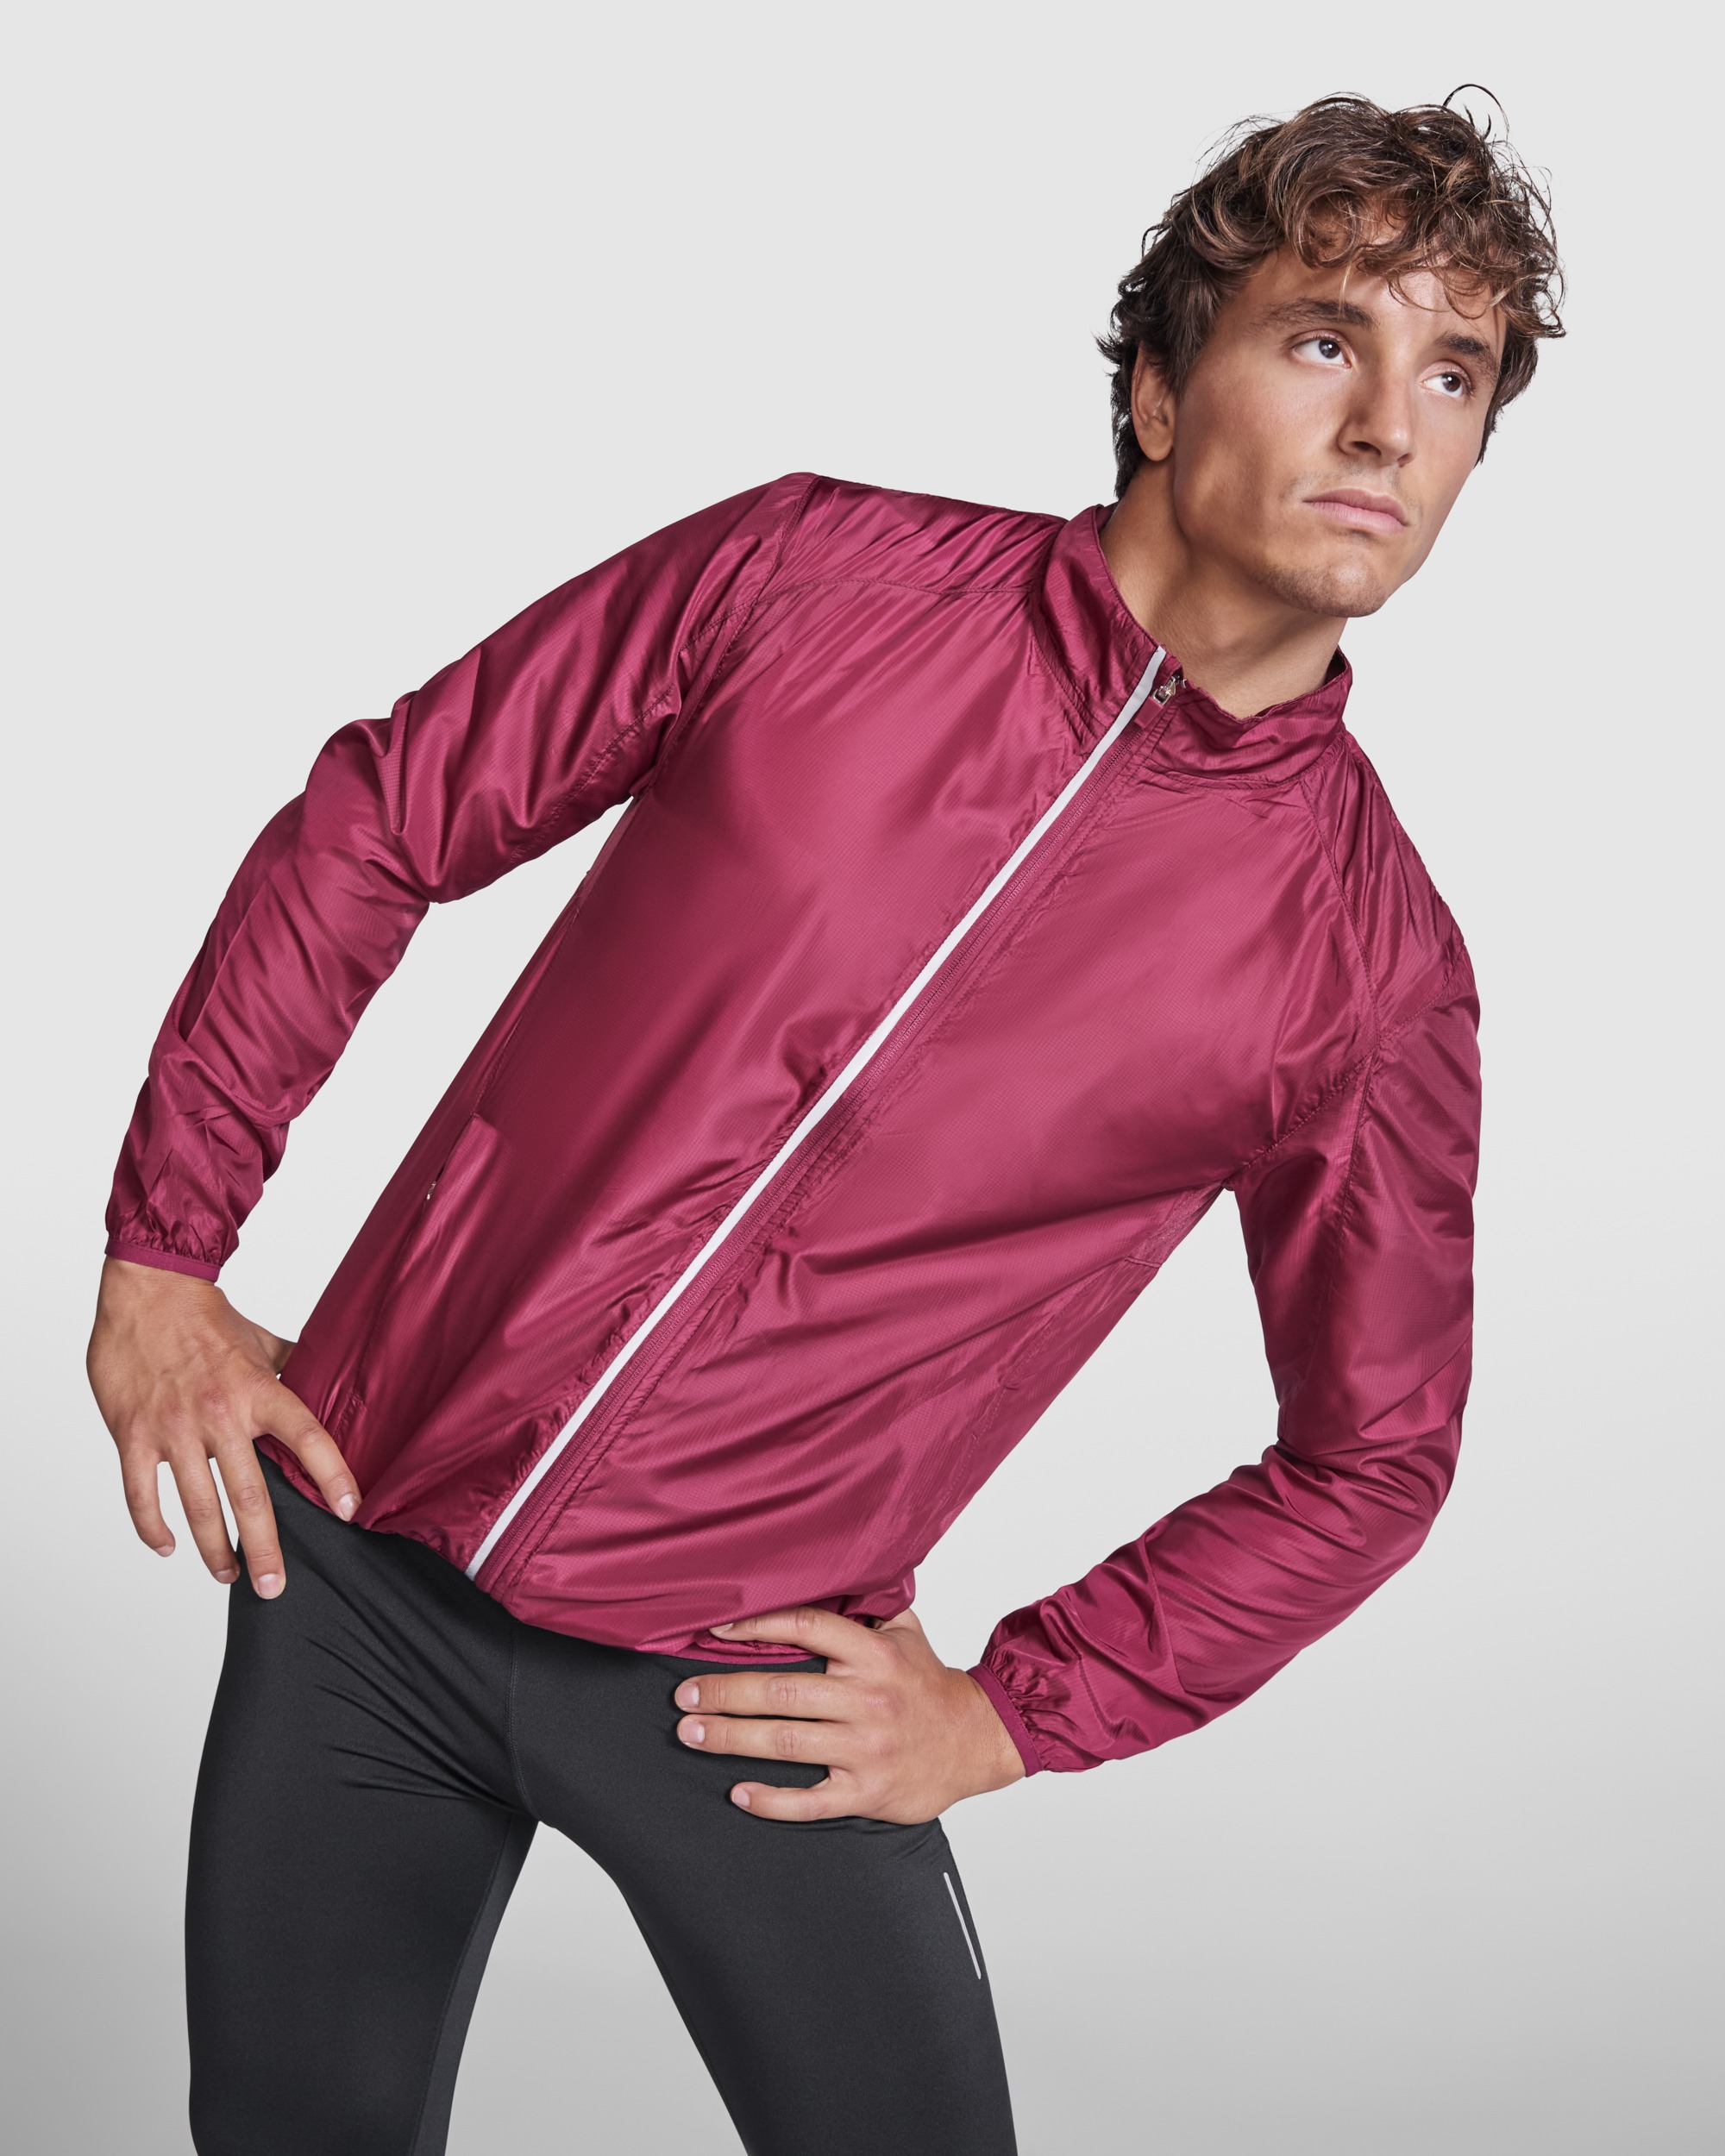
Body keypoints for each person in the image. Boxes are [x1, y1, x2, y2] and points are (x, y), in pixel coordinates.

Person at [86, 91, 1563, 2156]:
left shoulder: (1367, 964)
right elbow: (387, 813)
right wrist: (165, 1246)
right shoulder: (811, 573)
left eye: (1455, 373)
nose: (1390, 424)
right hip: (356, 1556)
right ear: (1158, 389)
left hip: (742, 1689)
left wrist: (1012, 1708)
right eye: (1326, 338)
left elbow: (1374, 1450)